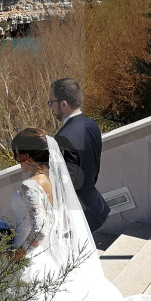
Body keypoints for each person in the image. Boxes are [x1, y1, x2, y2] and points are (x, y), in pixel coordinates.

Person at [8, 128, 151, 301]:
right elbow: (59, 219)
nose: (16, 161)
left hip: (36, 254)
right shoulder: (54, 180)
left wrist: (20, 253)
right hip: (52, 251)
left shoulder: (30, 185)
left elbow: (41, 228)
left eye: (17, 154)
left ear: (27, 155)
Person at [49, 78, 109, 234]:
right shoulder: (91, 125)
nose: (51, 107)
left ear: (63, 104)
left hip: (79, 213)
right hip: (93, 202)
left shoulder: (63, 138)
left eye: (51, 102)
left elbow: (67, 183)